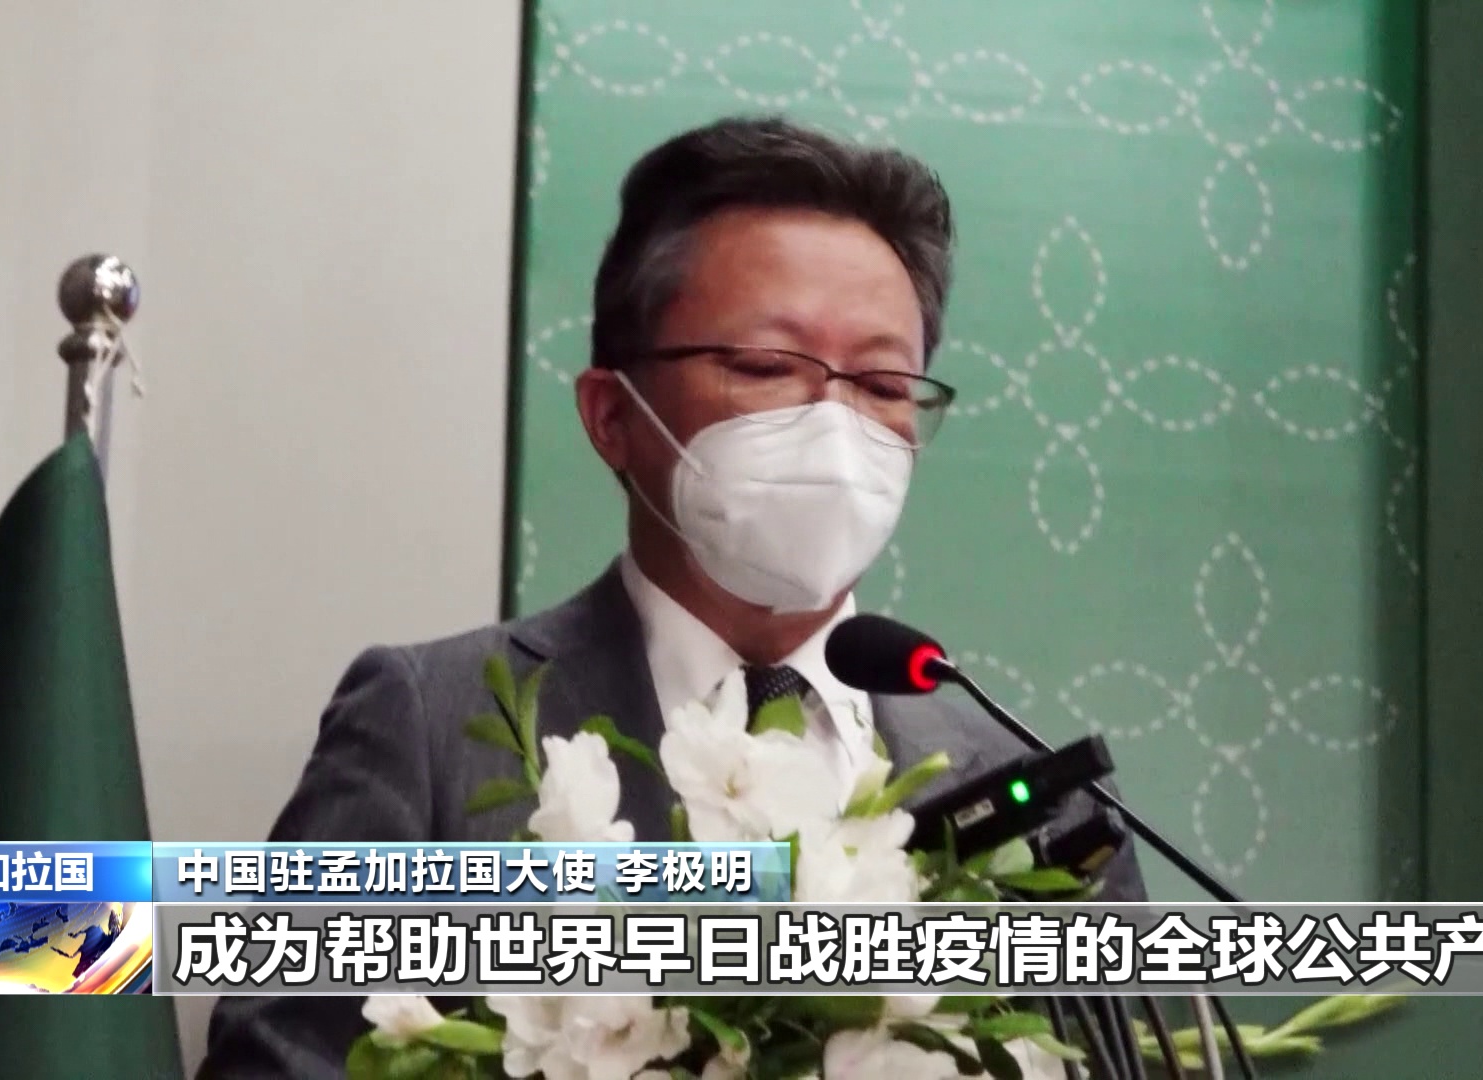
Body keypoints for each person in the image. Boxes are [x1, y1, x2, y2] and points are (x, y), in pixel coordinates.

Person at [198, 115, 1146, 1078]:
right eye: (765, 367)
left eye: (882, 382)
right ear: (614, 414)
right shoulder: (431, 727)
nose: (834, 426)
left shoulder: (1040, 804)